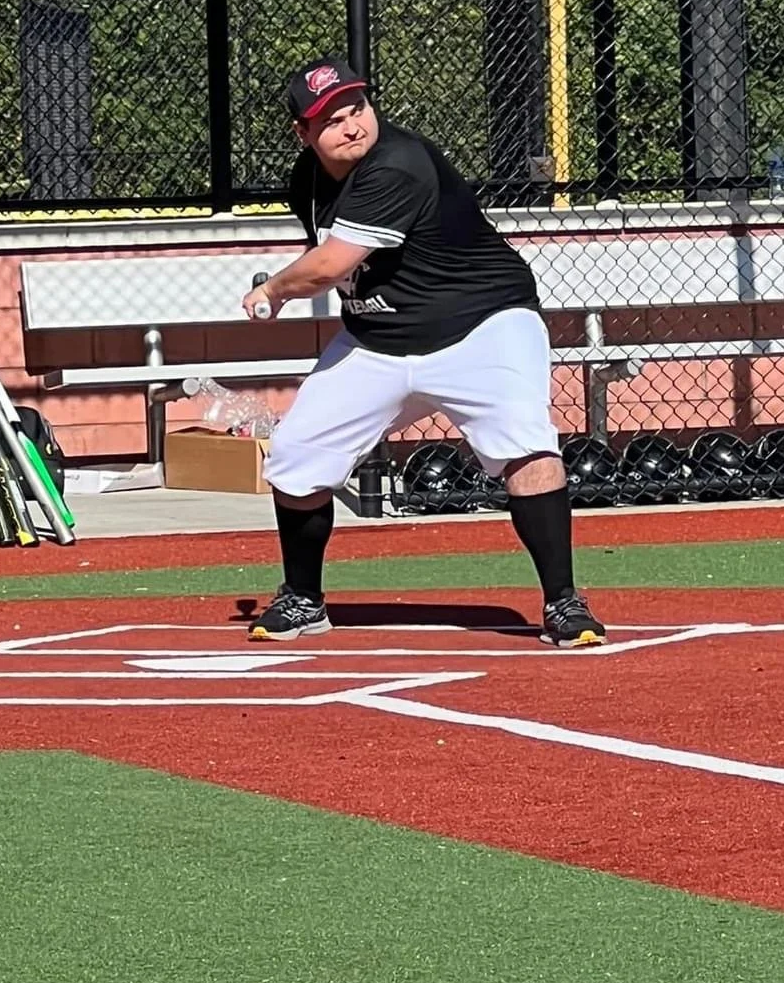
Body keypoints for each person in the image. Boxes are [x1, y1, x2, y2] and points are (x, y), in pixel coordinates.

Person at [242, 54, 606, 649]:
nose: (352, 124)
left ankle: (563, 603)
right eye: (330, 119)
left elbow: (330, 265)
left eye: (356, 107)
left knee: (526, 449)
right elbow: (347, 266)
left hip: (481, 326)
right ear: (304, 134)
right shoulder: (305, 180)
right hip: (378, 340)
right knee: (296, 458)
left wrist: (274, 289)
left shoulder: (398, 164)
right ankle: (304, 599)